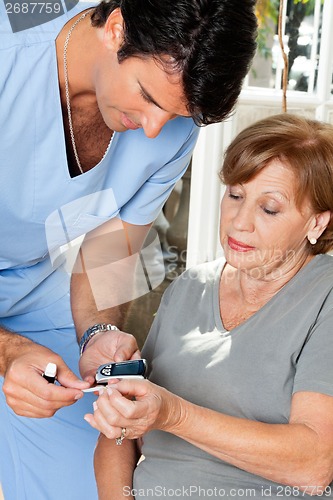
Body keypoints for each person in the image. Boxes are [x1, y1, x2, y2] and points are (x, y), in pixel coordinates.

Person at [0, 0, 257, 498]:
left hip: (29, 284)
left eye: (177, 113)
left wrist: (97, 332)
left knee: (93, 467)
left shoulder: (173, 130)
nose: (156, 128)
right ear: (115, 27)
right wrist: (8, 351)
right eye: (147, 96)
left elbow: (108, 255)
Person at [86, 113, 333, 500]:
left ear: (316, 224)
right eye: (235, 195)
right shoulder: (190, 287)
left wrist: (174, 414)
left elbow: (314, 466)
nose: (239, 223)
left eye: (269, 209)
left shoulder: (326, 295)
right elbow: (118, 432)